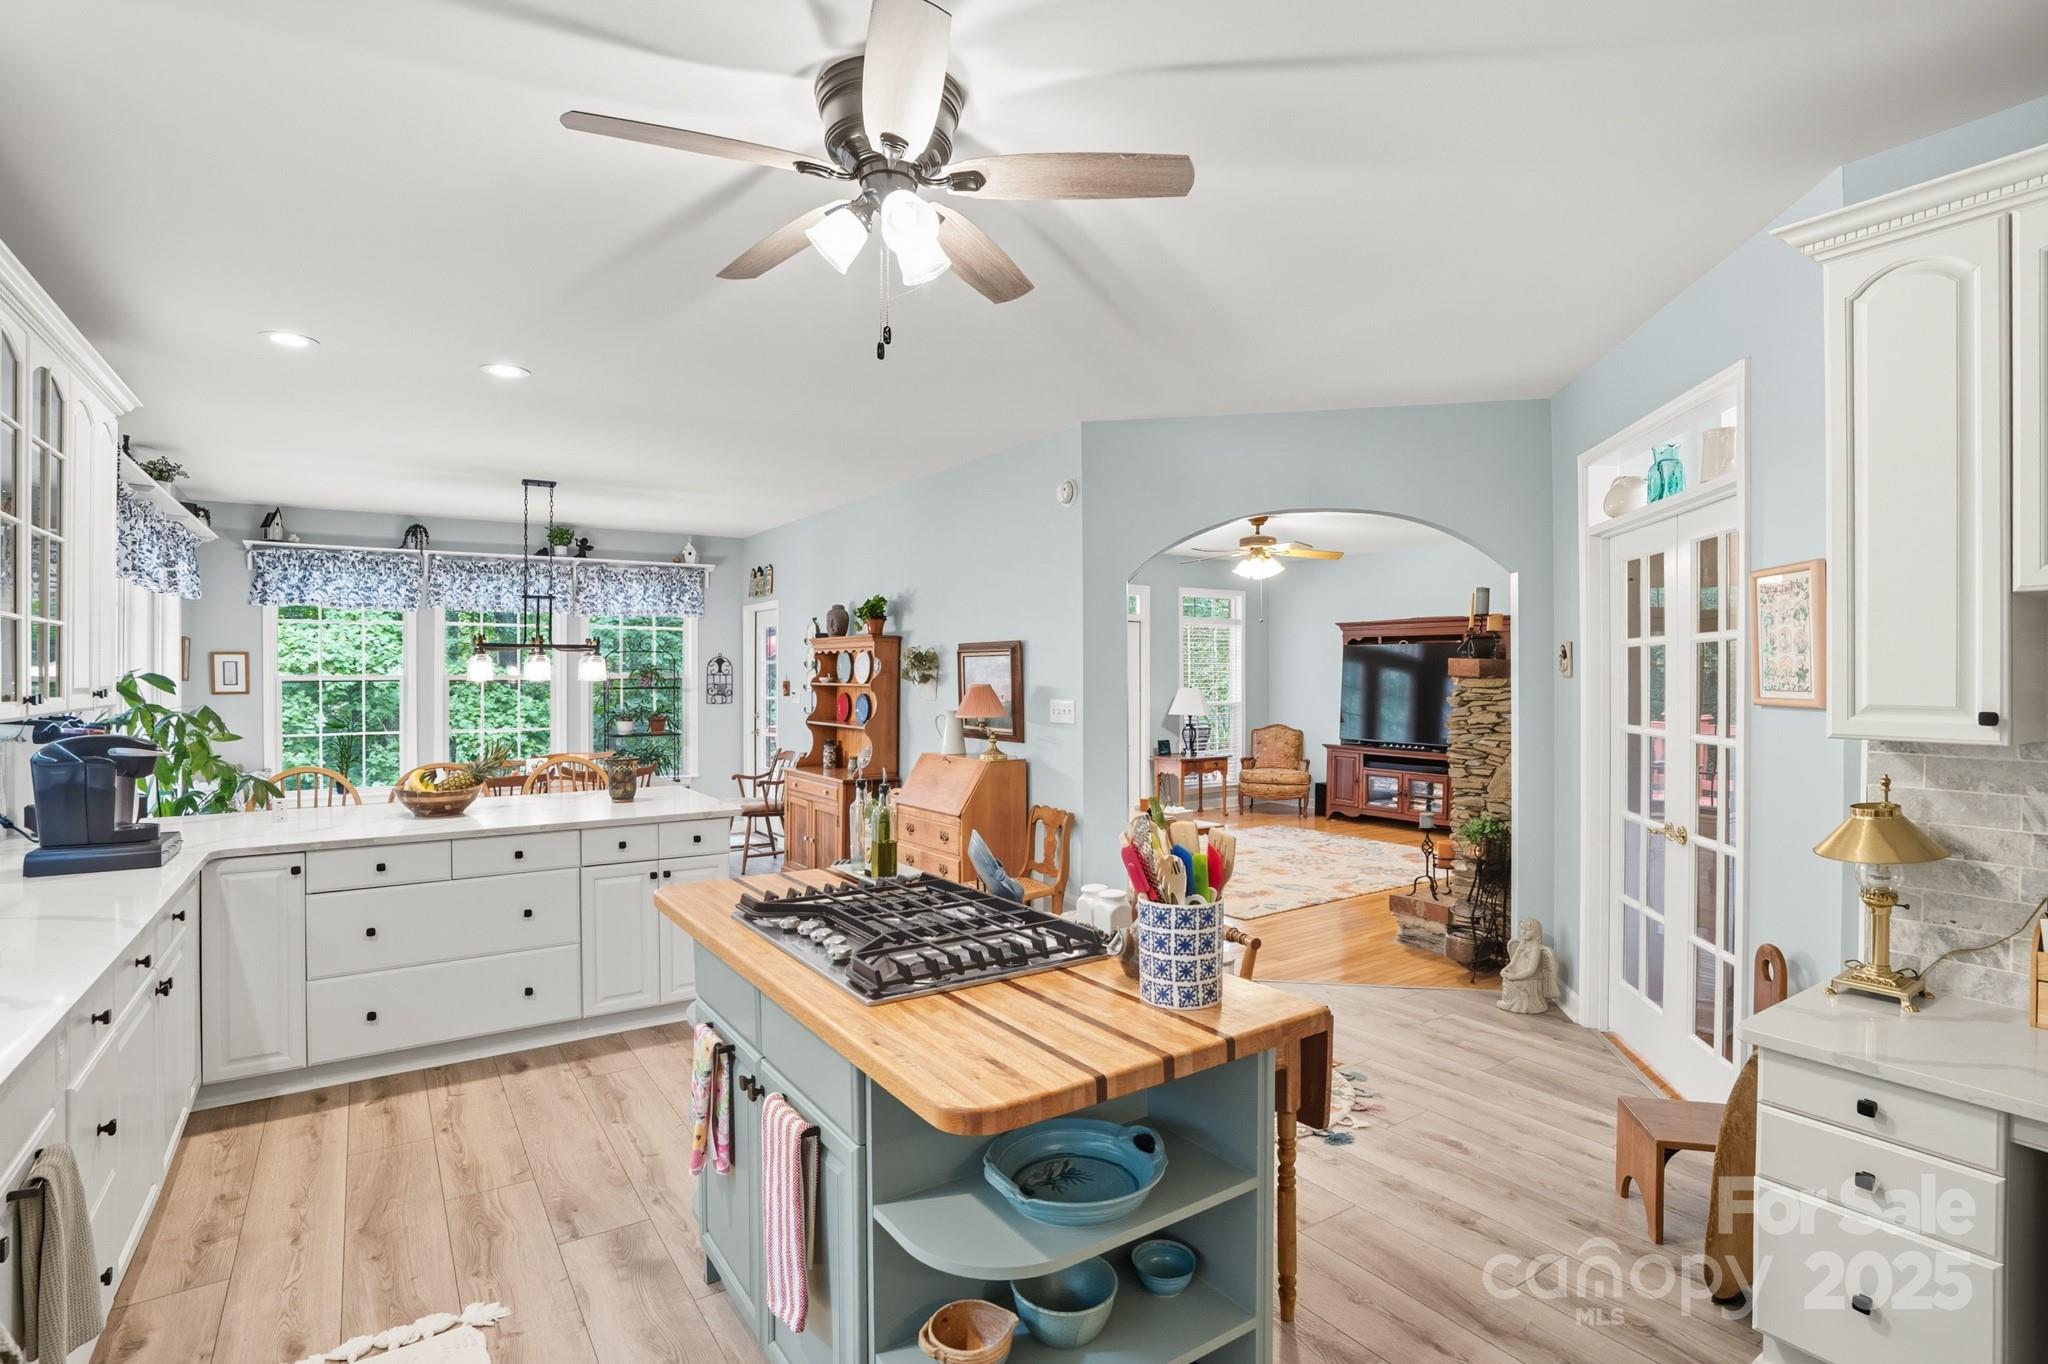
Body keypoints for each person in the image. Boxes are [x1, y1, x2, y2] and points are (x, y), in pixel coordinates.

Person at [1497, 916, 1559, 1014]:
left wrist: (1514, 976)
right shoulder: (1521, 945)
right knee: (1506, 981)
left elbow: (1531, 970)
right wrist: (1505, 969)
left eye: (1528, 930)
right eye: (1522, 929)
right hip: (1519, 973)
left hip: (1530, 977)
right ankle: (1508, 1002)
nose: (1523, 932)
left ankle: (1519, 1005)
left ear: (1535, 932)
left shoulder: (1535, 948)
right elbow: (1513, 962)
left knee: (1516, 983)